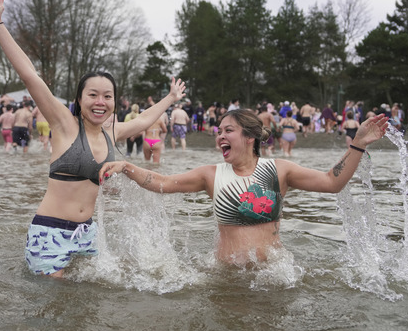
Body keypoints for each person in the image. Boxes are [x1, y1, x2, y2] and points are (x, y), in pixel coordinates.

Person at [0, 0, 186, 278]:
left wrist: (171, 98)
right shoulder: (63, 123)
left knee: (83, 311)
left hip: (87, 234)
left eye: (107, 96)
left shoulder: (112, 132)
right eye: (93, 95)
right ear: (79, 99)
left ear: (114, 101)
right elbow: (30, 76)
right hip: (50, 231)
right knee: (52, 307)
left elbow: (144, 120)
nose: (100, 102)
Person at [100, 109, 389, 268]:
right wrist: (127, 167)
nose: (220, 137)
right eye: (218, 132)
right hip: (226, 274)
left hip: (273, 274)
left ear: (250, 137)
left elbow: (332, 182)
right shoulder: (210, 175)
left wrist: (358, 143)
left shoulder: (279, 170)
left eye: (228, 131)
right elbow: (163, 183)